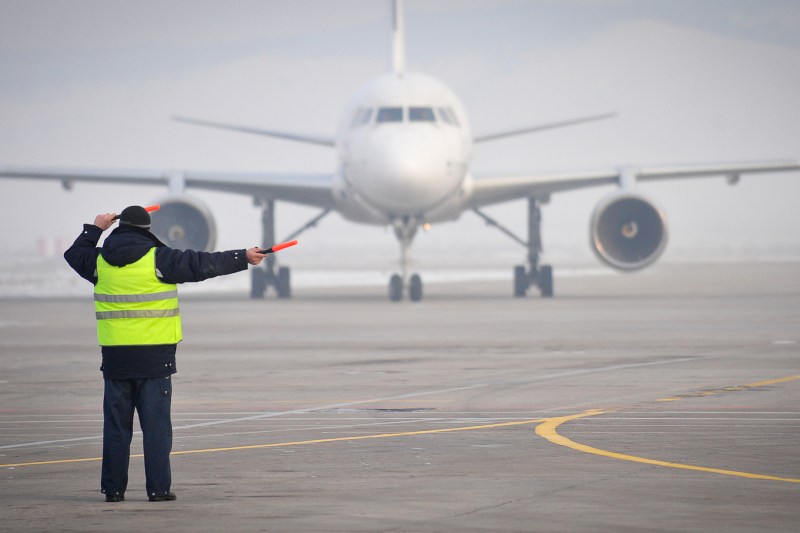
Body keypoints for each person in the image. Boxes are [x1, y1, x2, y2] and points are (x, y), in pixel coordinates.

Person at [64, 205, 267, 502]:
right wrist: (243, 257)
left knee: (116, 429)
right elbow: (203, 263)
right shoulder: (160, 259)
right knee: (157, 430)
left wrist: (95, 228)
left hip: (116, 361)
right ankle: (158, 490)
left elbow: (74, 255)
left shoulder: (99, 263)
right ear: (147, 231)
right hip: (155, 360)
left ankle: (113, 490)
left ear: (120, 228)